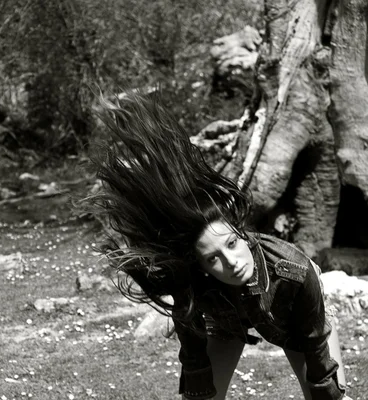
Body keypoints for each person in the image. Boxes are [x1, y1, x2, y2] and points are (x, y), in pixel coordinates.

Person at [84, 93, 350, 400]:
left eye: (232, 244)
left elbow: (315, 344)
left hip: (295, 314)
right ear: (201, 267)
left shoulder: (294, 271)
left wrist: (327, 390)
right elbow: (194, 356)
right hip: (228, 315)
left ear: (240, 231)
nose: (233, 261)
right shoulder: (193, 282)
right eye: (214, 258)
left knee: (327, 397)